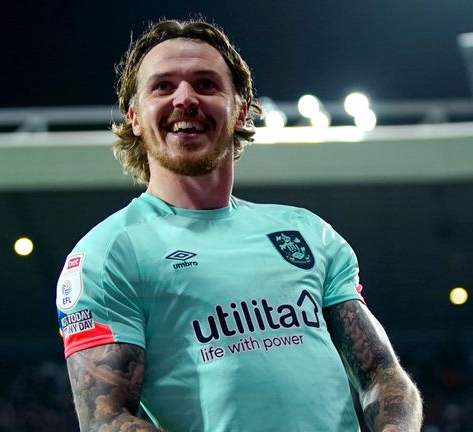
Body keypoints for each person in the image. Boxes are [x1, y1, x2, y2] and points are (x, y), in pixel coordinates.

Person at [56, 18, 423, 432]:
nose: (185, 99)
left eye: (206, 84)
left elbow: (381, 376)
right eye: (162, 86)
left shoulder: (306, 233)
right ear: (136, 118)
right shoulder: (109, 252)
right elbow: (108, 420)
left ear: (240, 110)